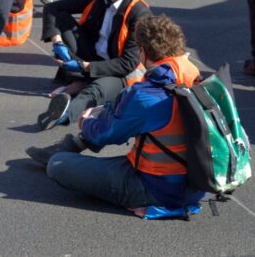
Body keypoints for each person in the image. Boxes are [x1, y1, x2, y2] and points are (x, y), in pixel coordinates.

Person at [35, 15, 205, 214]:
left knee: (58, 165)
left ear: (142, 52)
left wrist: (87, 121)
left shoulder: (146, 95)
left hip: (156, 187)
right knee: (120, 115)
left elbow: (105, 134)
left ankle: (67, 150)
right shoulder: (192, 73)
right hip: (196, 184)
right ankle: (72, 145)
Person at [33, 0, 152, 132]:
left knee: (95, 92)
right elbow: (52, 8)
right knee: (61, 18)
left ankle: (63, 116)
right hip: (91, 53)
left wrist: (86, 67)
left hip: (119, 71)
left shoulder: (139, 13)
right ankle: (79, 80)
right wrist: (57, 42)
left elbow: (128, 63)